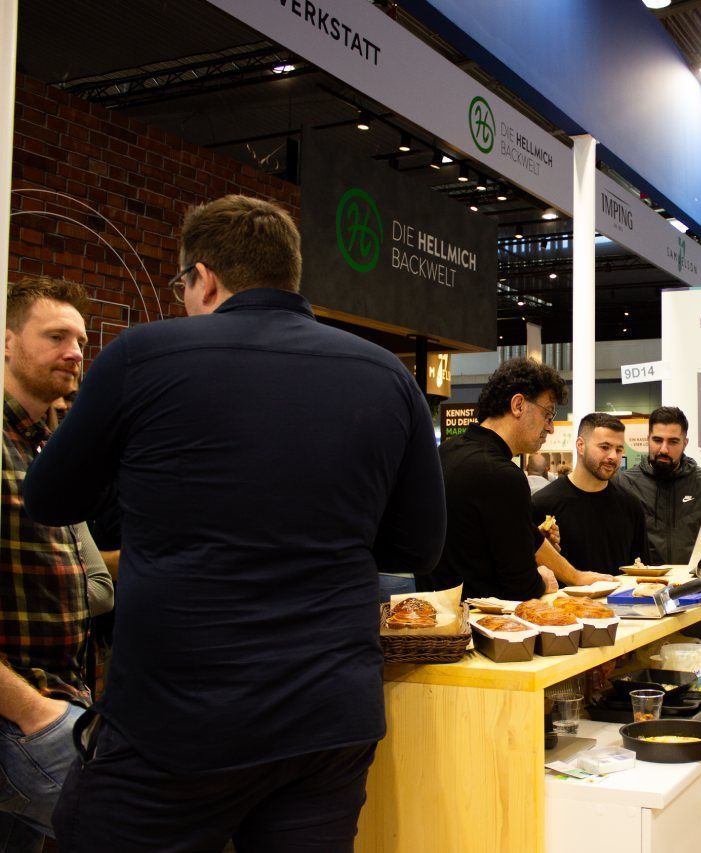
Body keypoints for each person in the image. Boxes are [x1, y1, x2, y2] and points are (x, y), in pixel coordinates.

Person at [23, 194, 446, 850]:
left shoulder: (144, 356)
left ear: (205, 277)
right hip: (329, 718)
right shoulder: (387, 376)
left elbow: (50, 499)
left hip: (179, 718)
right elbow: (417, 544)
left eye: (182, 284)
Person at [0, 276, 106, 852]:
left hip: (57, 700)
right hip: (23, 712)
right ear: (7, 342)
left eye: (81, 341)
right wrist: (33, 711)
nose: (74, 352)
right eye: (56, 336)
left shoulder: (42, 446)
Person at [424, 358, 614, 599]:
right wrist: (544, 580)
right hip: (483, 624)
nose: (551, 428)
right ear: (518, 405)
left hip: (437, 613)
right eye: (548, 414)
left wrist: (575, 576)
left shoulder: (447, 452)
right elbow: (520, 584)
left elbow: (521, 535)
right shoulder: (501, 474)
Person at [531, 413, 648, 574]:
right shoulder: (543, 504)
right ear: (580, 446)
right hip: (562, 599)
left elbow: (642, 569)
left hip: (618, 599)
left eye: (619, 449)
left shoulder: (630, 505)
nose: (613, 456)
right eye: (605, 447)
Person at [614, 406, 701, 565]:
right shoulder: (625, 483)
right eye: (657, 440)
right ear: (648, 439)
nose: (664, 449)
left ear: (685, 443)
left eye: (673, 442)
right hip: (640, 584)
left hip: (692, 585)